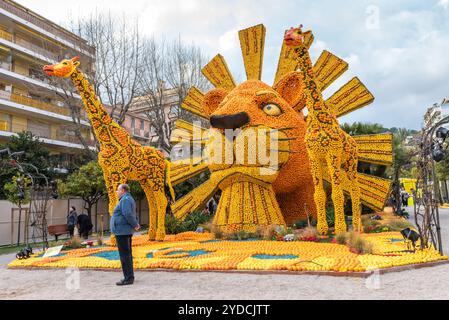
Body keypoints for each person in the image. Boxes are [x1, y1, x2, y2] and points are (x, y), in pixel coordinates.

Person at [110, 184, 140, 286]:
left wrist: (135, 224)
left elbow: (127, 214)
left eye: (118, 190)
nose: (116, 192)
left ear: (123, 190)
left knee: (124, 255)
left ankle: (128, 278)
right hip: (123, 231)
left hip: (122, 231)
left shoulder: (125, 199)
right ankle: (130, 276)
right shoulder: (126, 199)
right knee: (127, 254)